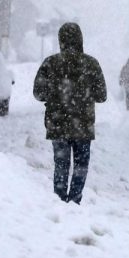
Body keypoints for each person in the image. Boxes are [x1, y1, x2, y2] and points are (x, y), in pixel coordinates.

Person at [33, 23, 107, 204]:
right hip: (83, 125)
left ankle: (59, 201)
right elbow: (102, 96)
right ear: (80, 39)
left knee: (61, 164)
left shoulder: (50, 63)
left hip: (57, 124)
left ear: (61, 40)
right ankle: (75, 200)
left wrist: (55, 94)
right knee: (81, 165)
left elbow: (38, 93)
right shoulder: (91, 64)